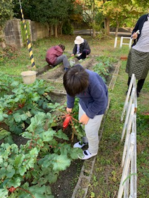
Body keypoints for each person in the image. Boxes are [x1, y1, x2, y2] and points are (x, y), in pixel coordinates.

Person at [63, 64, 108, 160]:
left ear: (82, 87)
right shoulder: (72, 80)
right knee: (82, 124)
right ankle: (84, 140)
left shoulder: (94, 84)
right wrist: (69, 105)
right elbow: (70, 92)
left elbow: (101, 102)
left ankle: (93, 150)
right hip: (84, 103)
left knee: (90, 131)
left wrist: (88, 114)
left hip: (97, 108)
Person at [125, 14, 149, 97]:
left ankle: (138, 90)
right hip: (137, 49)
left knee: (143, 72)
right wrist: (133, 35)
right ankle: (130, 88)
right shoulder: (143, 18)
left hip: (147, 52)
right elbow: (134, 31)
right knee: (133, 70)